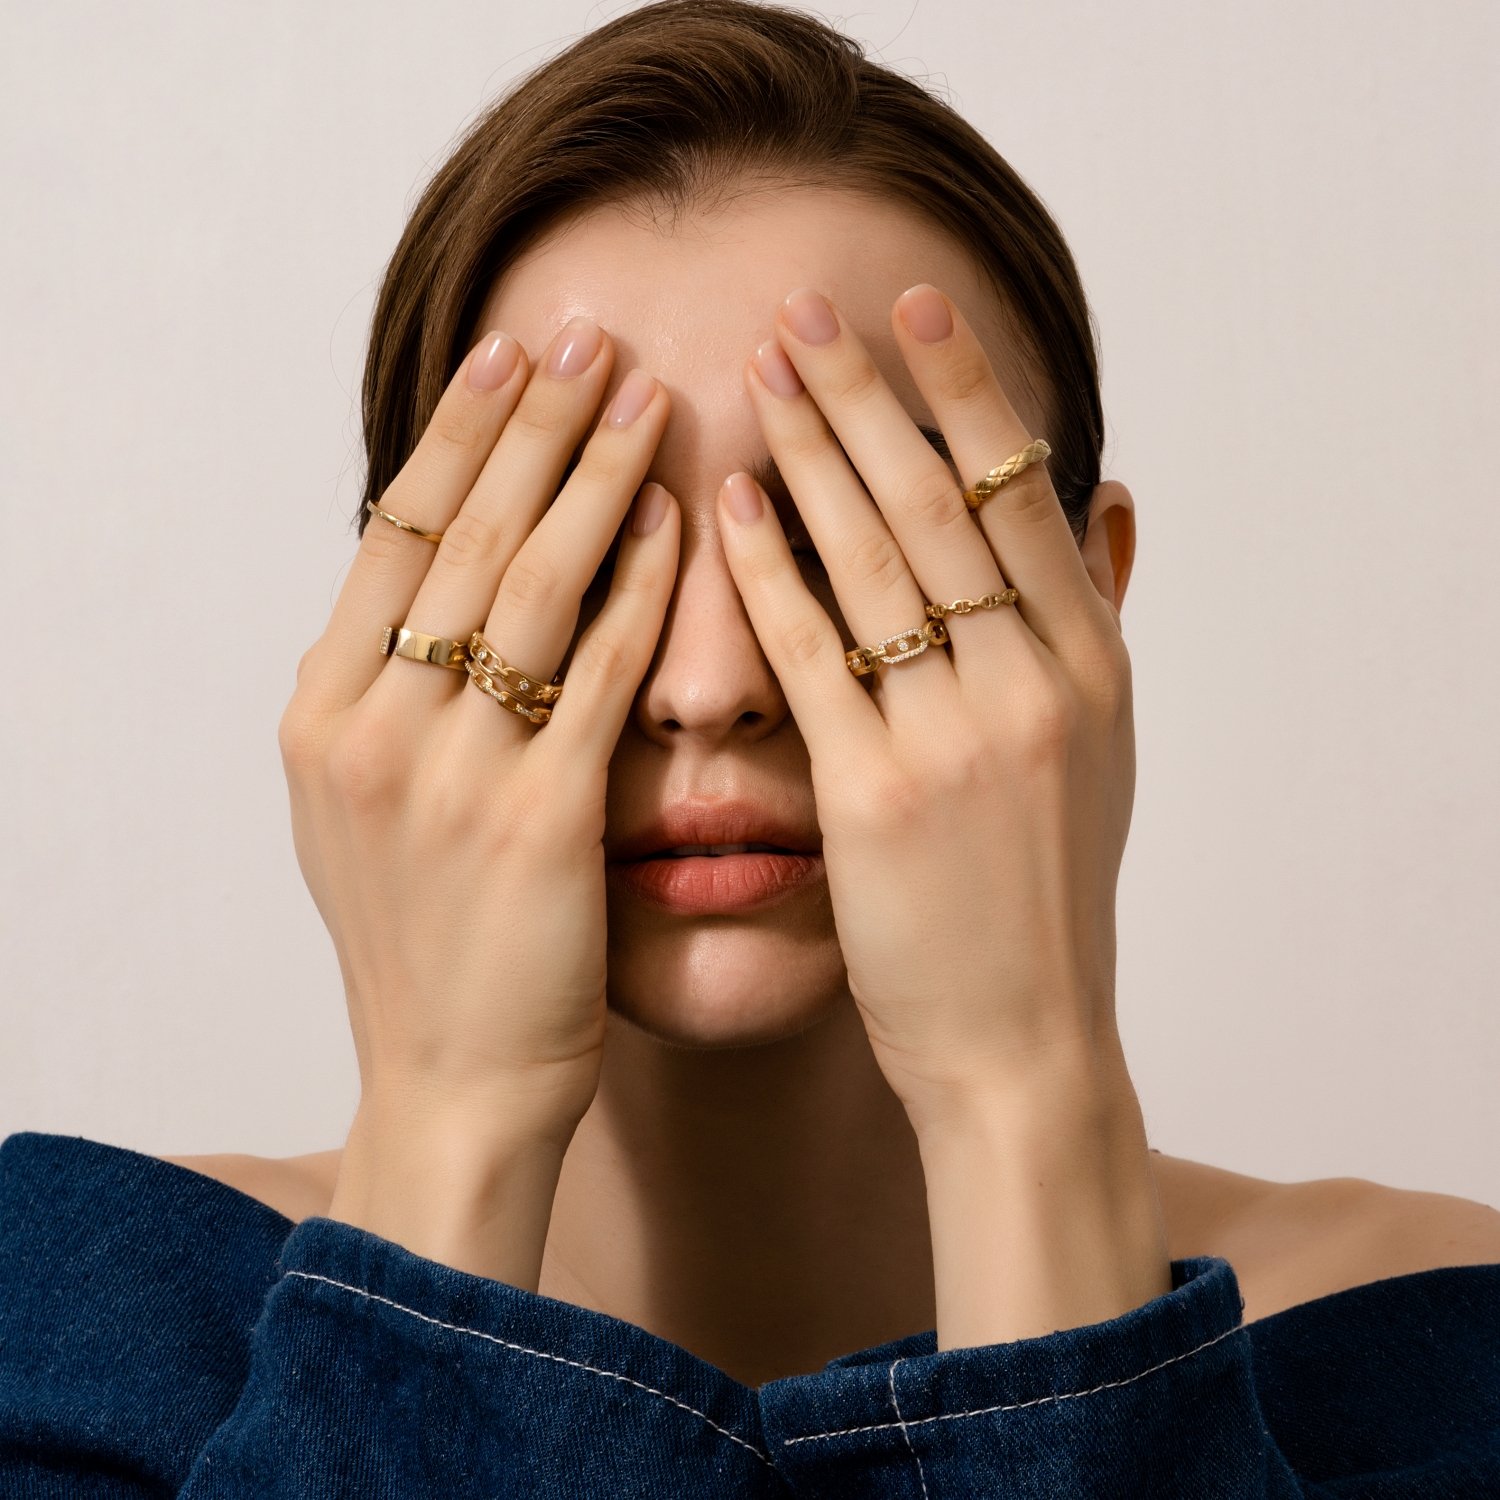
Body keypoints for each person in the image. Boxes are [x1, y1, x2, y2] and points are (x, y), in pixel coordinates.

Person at [3, 2, 1497, 1494]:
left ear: (1090, 599)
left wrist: (1022, 1101)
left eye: (857, 528)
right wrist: (452, 1122)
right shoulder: (75, 1315)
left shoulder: (1437, 1341)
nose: (708, 687)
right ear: (396, 631)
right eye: (578, 540)